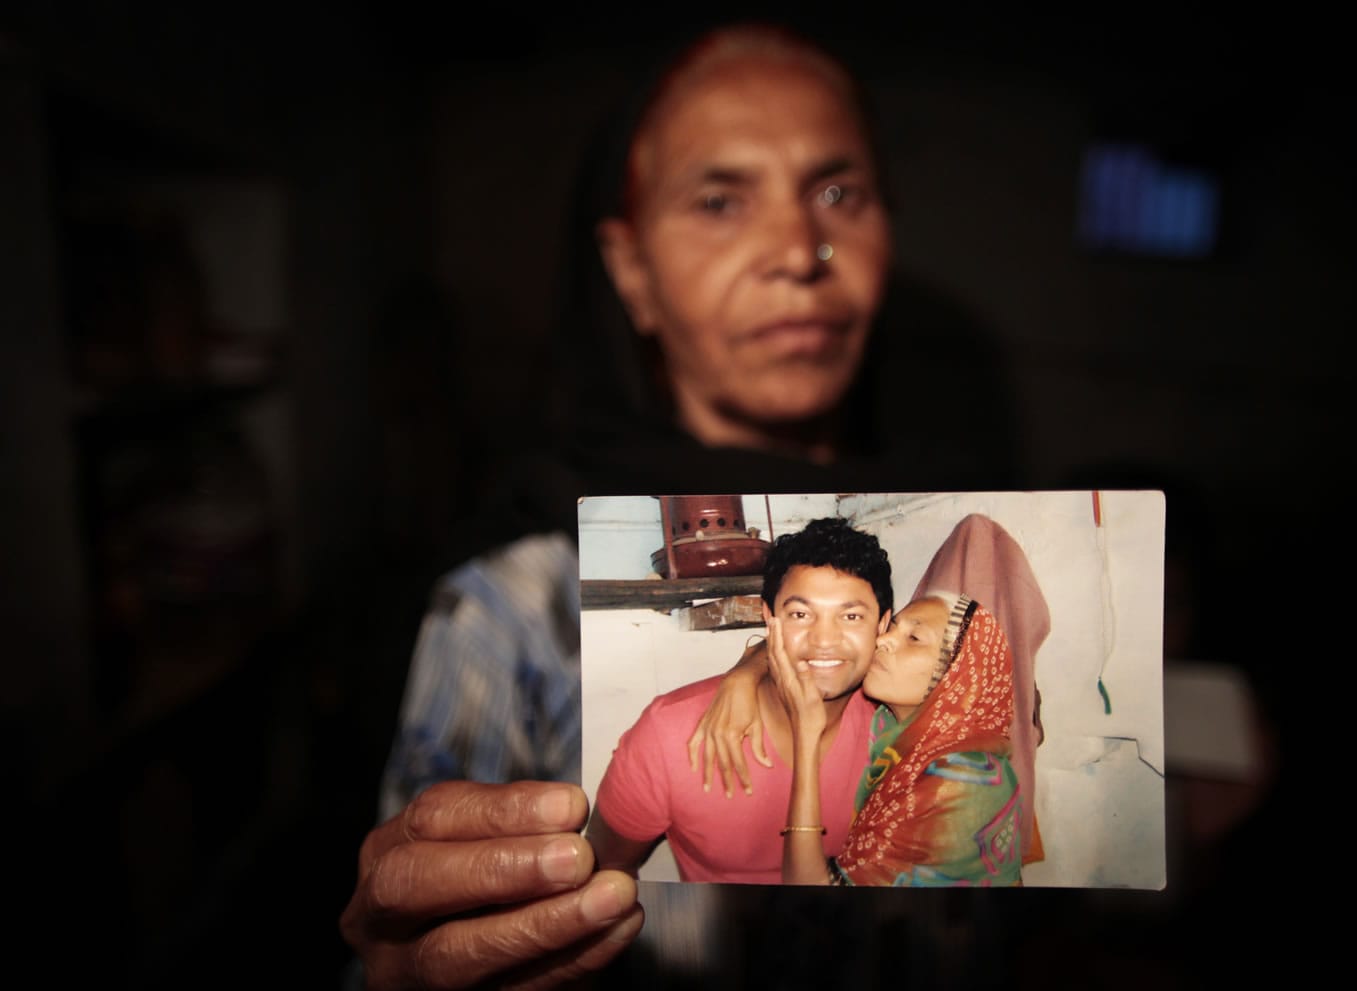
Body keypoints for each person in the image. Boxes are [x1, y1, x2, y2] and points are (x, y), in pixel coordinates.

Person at [341, 19, 1022, 990]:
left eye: (839, 191)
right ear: (631, 273)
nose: (799, 248)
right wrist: (407, 970)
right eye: (718, 199)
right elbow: (420, 948)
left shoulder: (953, 563)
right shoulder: (518, 608)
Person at [586, 516, 893, 882]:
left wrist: (748, 667)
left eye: (851, 616)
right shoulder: (669, 735)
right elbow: (607, 866)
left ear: (883, 625)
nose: (824, 639)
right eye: (800, 614)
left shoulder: (895, 728)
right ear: (769, 618)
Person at [770, 591, 1025, 886]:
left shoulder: (965, 779)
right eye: (894, 627)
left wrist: (806, 734)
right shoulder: (891, 730)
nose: (883, 640)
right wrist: (745, 672)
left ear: (958, 676)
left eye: (914, 638)